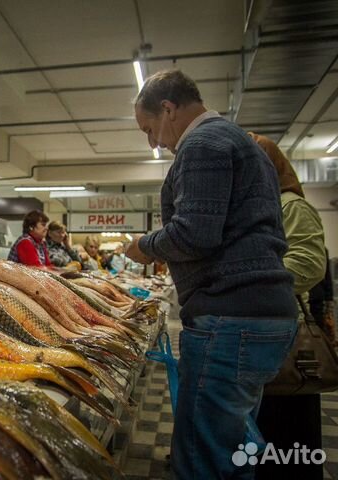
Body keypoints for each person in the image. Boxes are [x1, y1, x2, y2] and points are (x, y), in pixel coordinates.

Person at [125, 69, 297, 479]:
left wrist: (143, 247)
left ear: (168, 109)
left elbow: (195, 233)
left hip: (230, 318)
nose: (154, 142)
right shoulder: (242, 143)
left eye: (150, 129)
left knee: (205, 458)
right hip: (263, 316)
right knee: (234, 448)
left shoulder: (202, 143)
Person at [248, 133, 326, 480]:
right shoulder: (257, 208)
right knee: (264, 423)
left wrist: (249, 280)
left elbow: (310, 263)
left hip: (284, 334)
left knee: (288, 419)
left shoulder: (291, 205)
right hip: (257, 330)